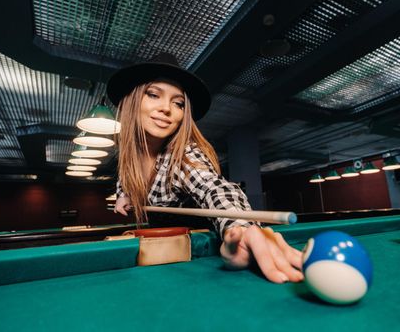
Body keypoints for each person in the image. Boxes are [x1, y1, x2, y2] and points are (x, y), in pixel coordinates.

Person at [107, 53, 302, 284]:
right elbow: (125, 178)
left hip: (196, 263)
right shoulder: (128, 157)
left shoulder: (184, 156)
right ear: (131, 101)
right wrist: (124, 195)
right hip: (159, 263)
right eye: (153, 94)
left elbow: (214, 188)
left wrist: (240, 229)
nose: (167, 109)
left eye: (178, 103)